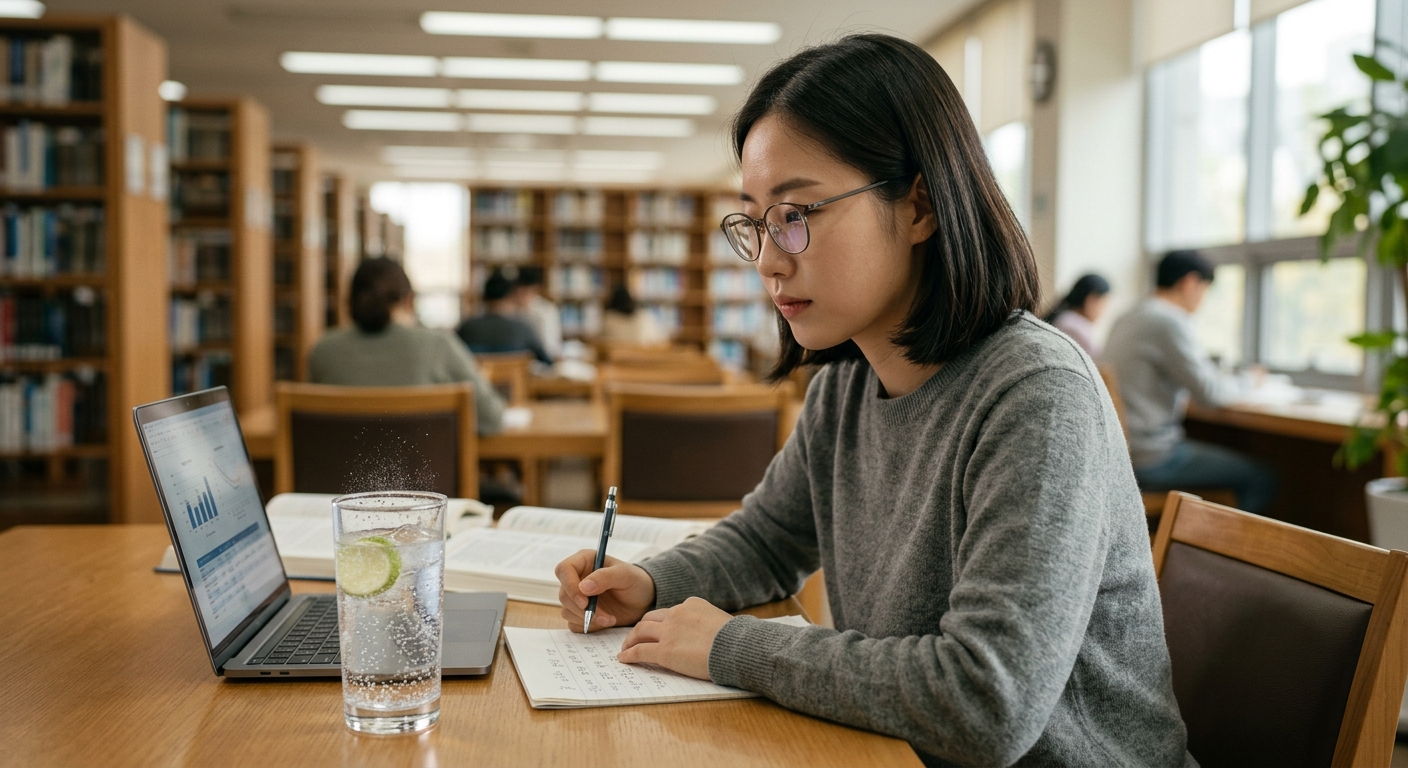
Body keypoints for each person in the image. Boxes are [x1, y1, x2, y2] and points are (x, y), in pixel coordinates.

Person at [553, 34, 1191, 768]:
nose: (767, 258)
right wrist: (655, 581)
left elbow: (986, 704)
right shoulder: (850, 381)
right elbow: (767, 541)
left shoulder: (1037, 395)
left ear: (919, 206)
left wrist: (731, 645)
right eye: (755, 221)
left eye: (796, 214)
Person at [1104, 250, 1277, 513]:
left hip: (1121, 452)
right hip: (1152, 457)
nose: (1202, 300)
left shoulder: (1126, 317)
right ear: (1190, 282)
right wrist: (1251, 380)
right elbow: (1209, 393)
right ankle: (1222, 553)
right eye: (1204, 290)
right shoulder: (1168, 321)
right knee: (1262, 478)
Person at [308, 257, 505, 435]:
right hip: (426, 474)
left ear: (348, 302)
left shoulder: (323, 350)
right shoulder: (438, 346)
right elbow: (491, 418)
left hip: (340, 475)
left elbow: (310, 426)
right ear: (409, 300)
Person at [456, 270, 552, 365]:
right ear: (510, 296)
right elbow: (546, 361)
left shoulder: (467, 327)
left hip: (476, 380)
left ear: (484, 298)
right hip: (516, 380)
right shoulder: (523, 328)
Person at [1044, 273, 1111, 357]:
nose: (1104, 311)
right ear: (1091, 301)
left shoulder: (1064, 317)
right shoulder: (1076, 327)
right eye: (1103, 304)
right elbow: (1100, 364)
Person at [514, 266, 563, 361]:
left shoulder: (546, 311)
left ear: (535, 290)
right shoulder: (512, 310)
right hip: (517, 360)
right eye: (518, 292)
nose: (520, 297)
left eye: (524, 293)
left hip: (541, 361)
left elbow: (550, 346)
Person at [599, 284, 669, 345]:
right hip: (644, 357)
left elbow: (602, 340)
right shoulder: (644, 317)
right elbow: (660, 341)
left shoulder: (609, 319)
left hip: (617, 357)